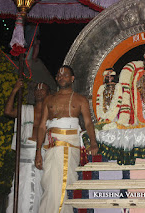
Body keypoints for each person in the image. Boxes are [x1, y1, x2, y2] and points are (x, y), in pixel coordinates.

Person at [35, 65, 99, 213]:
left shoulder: (80, 99)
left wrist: (93, 143)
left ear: (72, 79)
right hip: (50, 148)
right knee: (50, 186)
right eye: (59, 75)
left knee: (65, 185)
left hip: (70, 147)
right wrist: (38, 152)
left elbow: (88, 123)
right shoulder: (49, 100)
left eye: (65, 75)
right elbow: (42, 126)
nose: (61, 77)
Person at [4, 79, 50, 213]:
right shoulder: (25, 109)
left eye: (42, 89)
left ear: (48, 93)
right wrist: (15, 90)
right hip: (25, 155)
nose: (39, 91)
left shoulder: (52, 113)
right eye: (37, 89)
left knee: (39, 190)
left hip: (42, 155)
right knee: (21, 188)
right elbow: (8, 111)